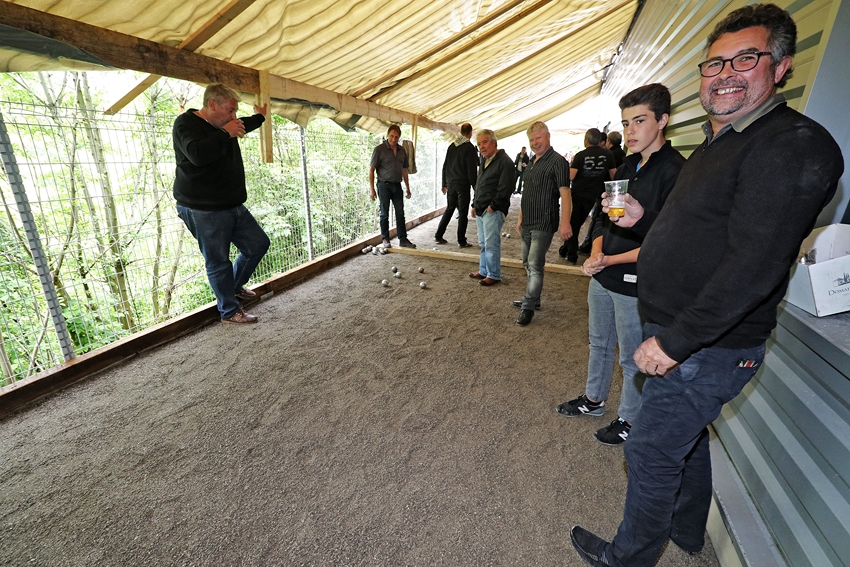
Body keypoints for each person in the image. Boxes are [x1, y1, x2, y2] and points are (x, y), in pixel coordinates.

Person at [569, 5, 844, 567]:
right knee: (685, 441)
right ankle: (687, 531)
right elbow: (701, 231)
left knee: (649, 445)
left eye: (746, 58)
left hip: (707, 343)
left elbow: (754, 266)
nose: (724, 74)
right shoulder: (724, 142)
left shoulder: (792, 144)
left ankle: (630, 557)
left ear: (782, 66)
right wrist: (643, 218)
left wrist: (673, 343)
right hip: (682, 329)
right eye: (714, 63)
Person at [557, 83, 685, 447]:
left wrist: (609, 259)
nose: (630, 130)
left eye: (639, 121)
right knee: (598, 343)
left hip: (635, 282)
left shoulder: (676, 172)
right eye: (626, 122)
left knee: (632, 357)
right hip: (604, 273)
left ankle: (629, 418)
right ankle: (593, 400)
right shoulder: (627, 165)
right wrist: (597, 252)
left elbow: (664, 240)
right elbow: (602, 216)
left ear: (662, 120)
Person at [172, 83, 270, 325]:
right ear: (212, 104)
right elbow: (197, 154)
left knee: (257, 244)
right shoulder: (185, 124)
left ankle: (233, 289)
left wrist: (260, 116)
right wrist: (226, 132)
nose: (234, 117)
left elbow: (246, 123)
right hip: (203, 208)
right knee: (218, 261)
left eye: (235, 112)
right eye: (229, 111)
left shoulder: (225, 124)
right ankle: (229, 311)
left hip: (232, 204)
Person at [513, 121, 571, 326]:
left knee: (535, 265)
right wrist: (520, 217)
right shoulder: (531, 161)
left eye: (538, 138)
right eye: (531, 140)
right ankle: (534, 298)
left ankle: (528, 306)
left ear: (547, 136)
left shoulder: (558, 162)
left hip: (544, 222)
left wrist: (566, 224)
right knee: (527, 263)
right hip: (527, 221)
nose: (535, 143)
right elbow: (526, 193)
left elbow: (565, 194)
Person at [560, 128, 616, 265]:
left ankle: (571, 254)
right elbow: (614, 175)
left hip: (578, 193)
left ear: (586, 140)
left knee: (574, 224)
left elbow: (571, 176)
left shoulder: (580, 155)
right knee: (577, 223)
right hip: (594, 195)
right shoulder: (608, 155)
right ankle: (565, 248)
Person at [468, 130, 515, 286]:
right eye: (479, 143)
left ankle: (493, 274)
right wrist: (474, 203)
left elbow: (506, 188)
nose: (482, 146)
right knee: (483, 243)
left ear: (494, 142)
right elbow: (479, 185)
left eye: (485, 142)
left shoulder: (505, 162)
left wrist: (492, 207)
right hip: (481, 209)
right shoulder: (485, 161)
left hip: (492, 210)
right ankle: (483, 271)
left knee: (491, 243)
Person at [369, 124, 416, 249]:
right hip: (383, 185)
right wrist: (372, 189)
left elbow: (405, 170)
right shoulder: (379, 150)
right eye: (391, 136)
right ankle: (385, 238)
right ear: (387, 135)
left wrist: (407, 187)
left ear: (399, 137)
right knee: (384, 213)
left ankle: (403, 239)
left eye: (396, 137)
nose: (393, 139)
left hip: (397, 185)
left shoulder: (402, 151)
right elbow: (371, 169)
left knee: (400, 213)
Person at [435, 123, 477, 247]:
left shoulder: (452, 146)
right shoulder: (469, 148)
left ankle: (438, 235)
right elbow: (472, 170)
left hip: (451, 184)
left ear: (460, 132)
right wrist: (476, 187)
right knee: (463, 213)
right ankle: (461, 240)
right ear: (470, 133)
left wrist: (444, 182)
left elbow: (445, 165)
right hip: (463, 184)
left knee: (450, 208)